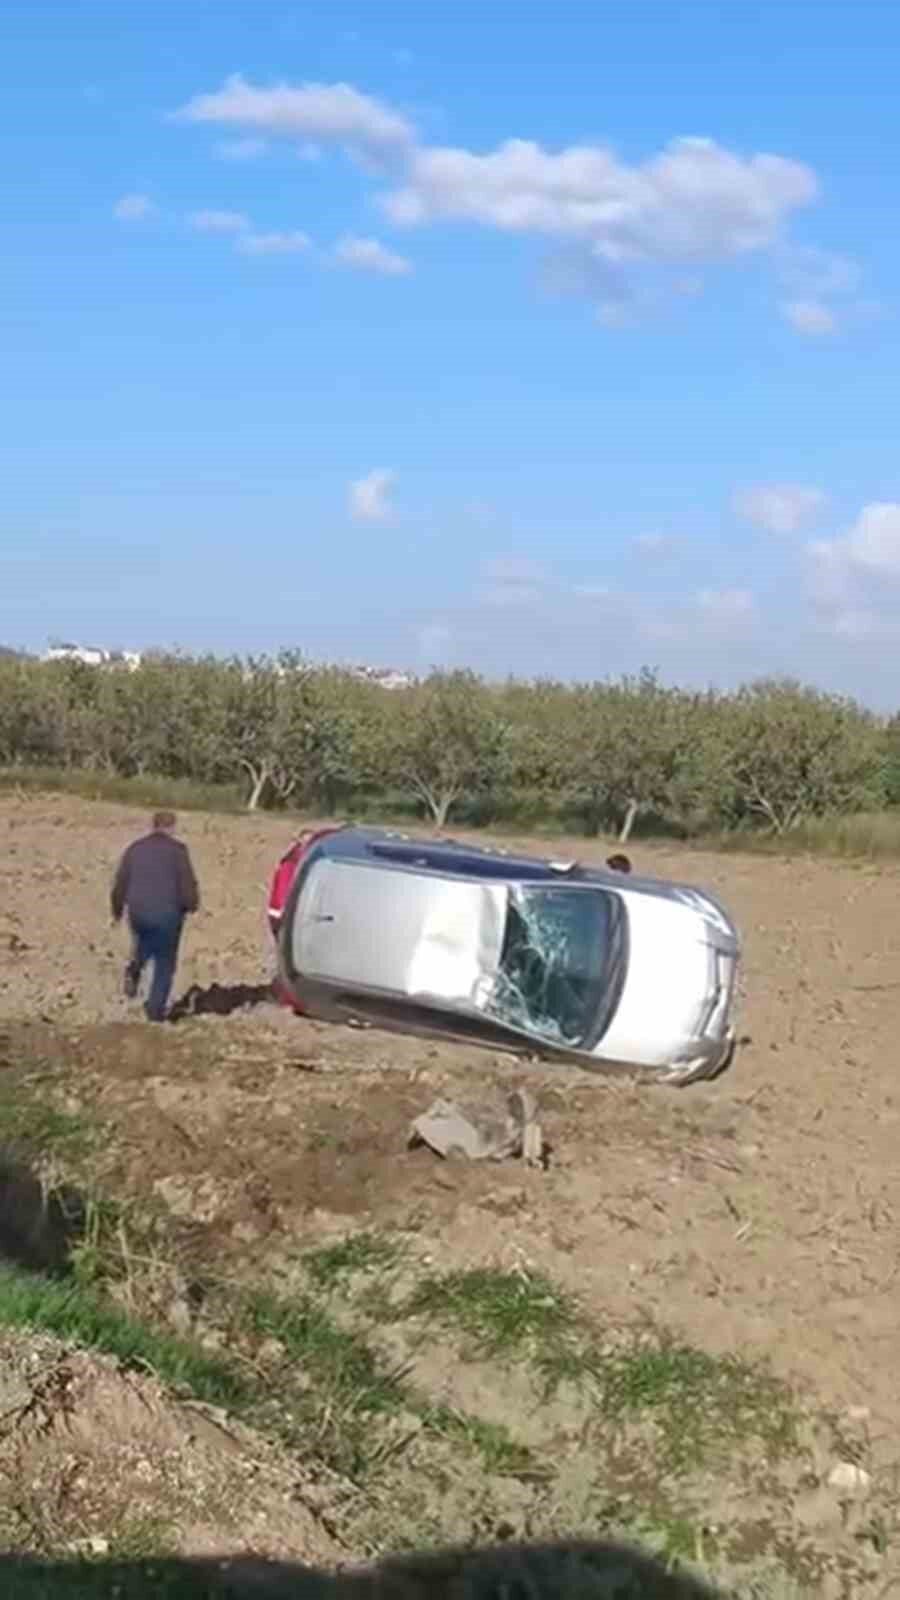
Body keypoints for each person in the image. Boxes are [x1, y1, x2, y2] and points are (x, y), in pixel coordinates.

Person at [111, 810, 200, 1022]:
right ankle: (155, 1010)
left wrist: (117, 909)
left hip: (138, 911)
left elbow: (121, 881)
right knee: (165, 962)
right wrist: (191, 904)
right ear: (172, 827)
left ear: (153, 825)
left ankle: (135, 968)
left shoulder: (135, 848)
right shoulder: (178, 851)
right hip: (168, 913)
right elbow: (187, 883)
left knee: (145, 942)